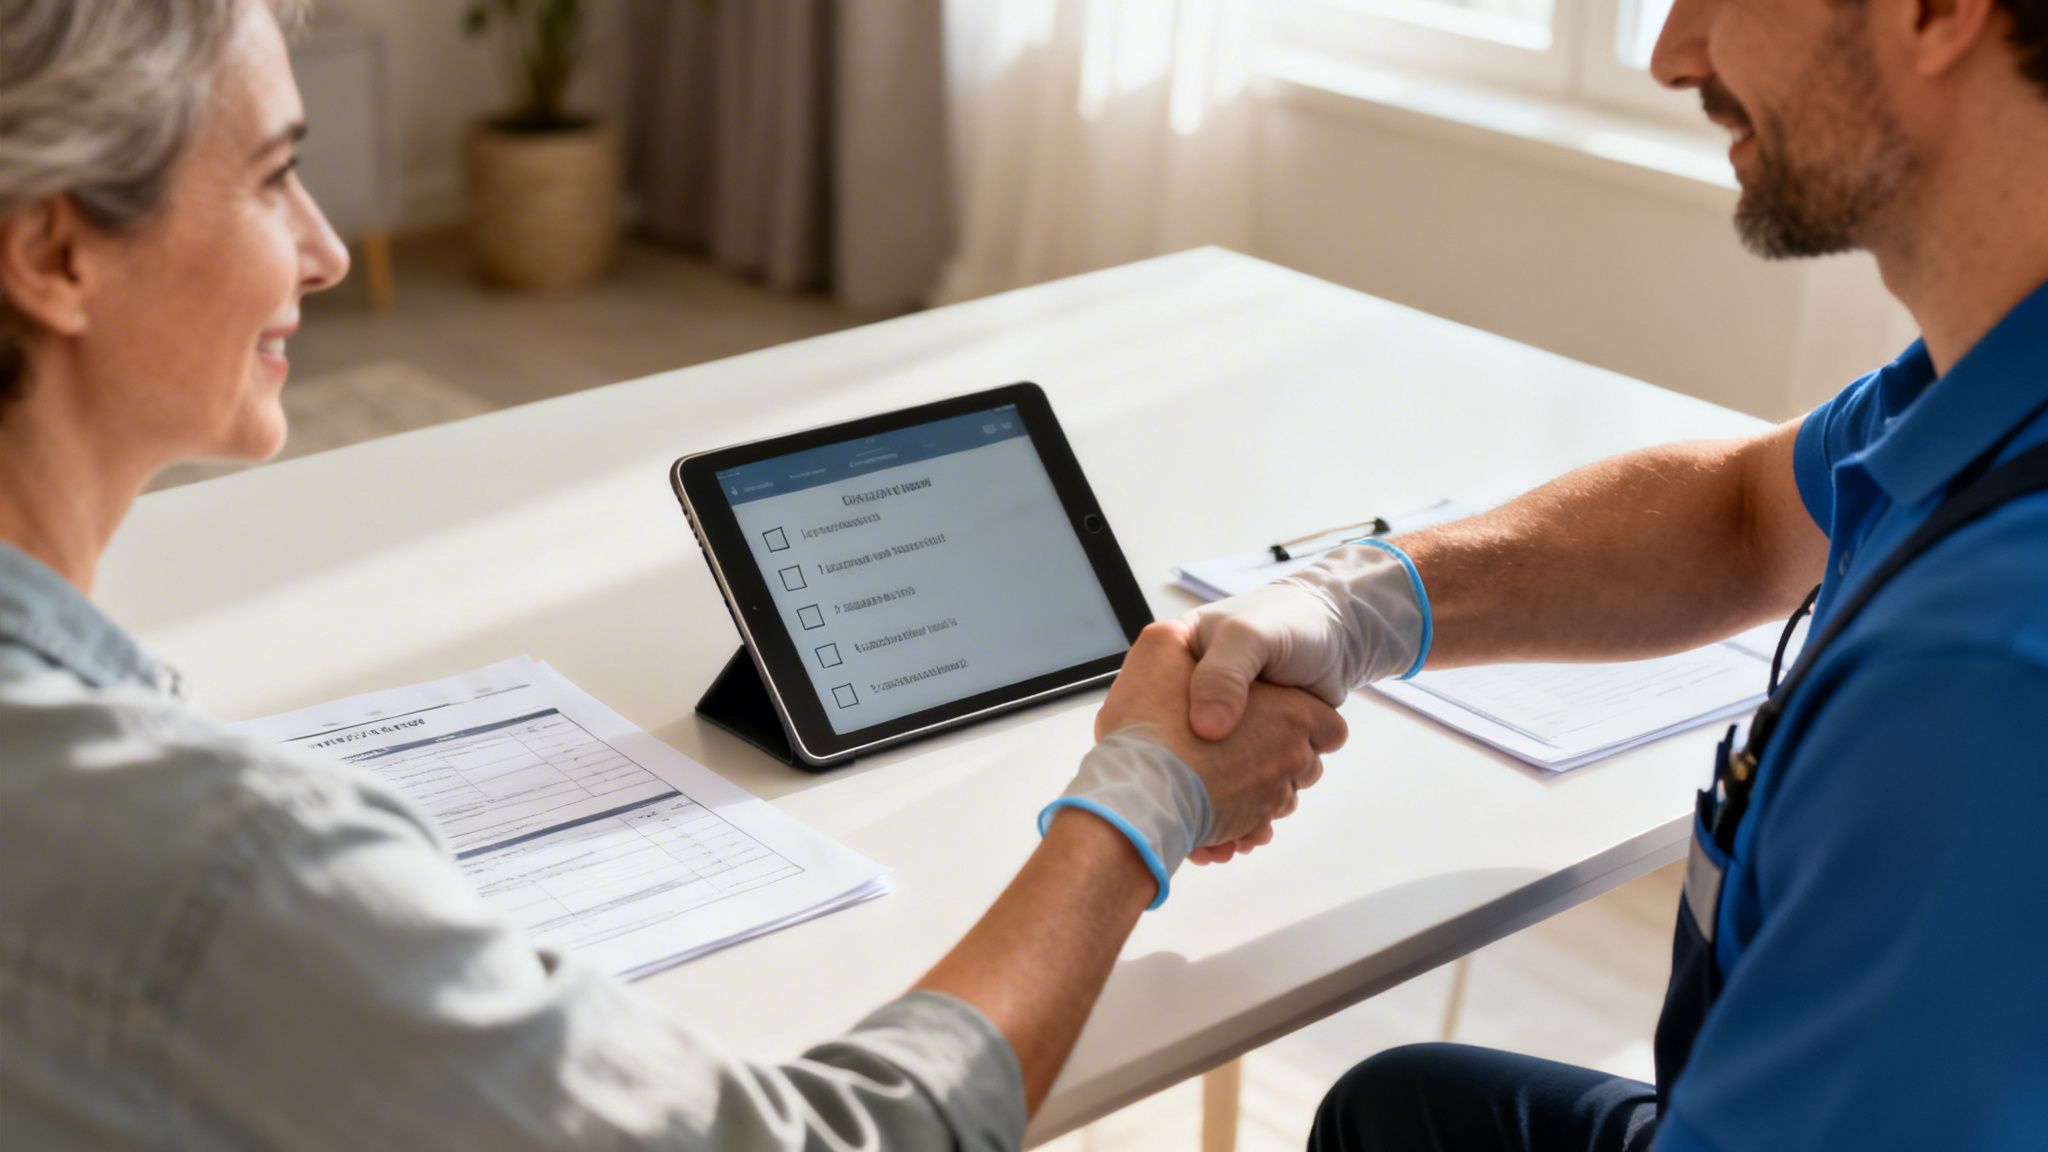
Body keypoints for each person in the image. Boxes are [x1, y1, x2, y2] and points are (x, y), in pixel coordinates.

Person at [0, 1, 1348, 1146]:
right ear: (58, 252)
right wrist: (1144, 798)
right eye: (271, 176)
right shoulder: (228, 869)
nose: (328, 250)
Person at [1180, 0, 2048, 1147]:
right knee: (1396, 1110)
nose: (1669, 53)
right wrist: (1352, 604)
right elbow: (1742, 514)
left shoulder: (1974, 680)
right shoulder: (1979, 380)